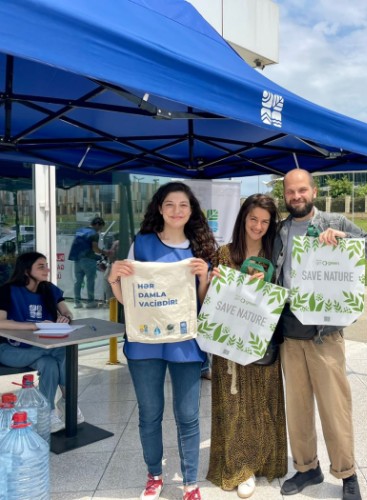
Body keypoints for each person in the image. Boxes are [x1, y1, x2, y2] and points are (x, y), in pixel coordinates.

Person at [273, 169, 367, 500]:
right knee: (297, 408)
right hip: (291, 333)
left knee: (334, 407)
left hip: (325, 334)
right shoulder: (279, 230)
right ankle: (307, 468)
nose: (297, 196)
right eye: (291, 192)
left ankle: (346, 472)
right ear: (285, 194)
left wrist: (346, 238)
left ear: (314, 190)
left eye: (302, 190)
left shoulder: (333, 221)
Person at [107, 182, 216, 500]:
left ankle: (190, 482)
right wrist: (114, 278)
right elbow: (130, 298)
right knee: (149, 412)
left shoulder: (200, 249)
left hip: (185, 342)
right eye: (170, 204)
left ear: (192, 210)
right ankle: (154, 475)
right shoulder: (140, 244)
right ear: (159, 208)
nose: (177, 210)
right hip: (145, 342)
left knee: (188, 415)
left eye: (184, 205)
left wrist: (204, 278)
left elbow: (201, 304)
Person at [206, 193, 287, 498]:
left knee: (264, 402)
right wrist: (217, 282)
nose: (258, 226)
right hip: (230, 345)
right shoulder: (224, 254)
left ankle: (265, 462)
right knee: (235, 405)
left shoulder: (275, 254)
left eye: (265, 221)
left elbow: (282, 297)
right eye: (253, 219)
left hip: (262, 344)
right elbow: (212, 301)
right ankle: (242, 468)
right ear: (243, 219)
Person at [0, 251, 83, 432]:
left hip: (42, 349)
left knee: (49, 364)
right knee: (62, 353)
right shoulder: (8, 291)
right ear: (25, 270)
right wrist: (33, 325)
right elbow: (1, 323)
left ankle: (47, 412)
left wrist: (65, 318)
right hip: (10, 350)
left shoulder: (49, 289)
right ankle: (69, 402)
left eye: (46, 265)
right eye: (41, 266)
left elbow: (67, 312)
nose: (47, 269)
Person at [69, 216, 107, 308]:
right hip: (88, 260)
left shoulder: (80, 230)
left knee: (78, 282)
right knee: (90, 281)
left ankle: (77, 302)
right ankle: (90, 302)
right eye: (101, 227)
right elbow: (95, 248)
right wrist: (104, 252)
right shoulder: (94, 233)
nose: (100, 230)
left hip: (77, 260)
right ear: (97, 224)